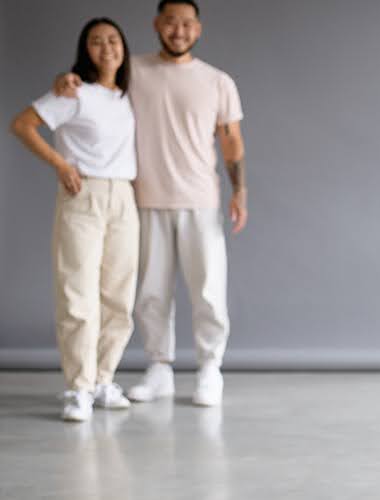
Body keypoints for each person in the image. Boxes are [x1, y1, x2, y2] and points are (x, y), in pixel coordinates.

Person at [55, 0, 247, 407]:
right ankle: (159, 368)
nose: (179, 30)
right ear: (157, 24)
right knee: (150, 293)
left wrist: (240, 190)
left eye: (188, 23)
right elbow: (95, 88)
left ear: (199, 28)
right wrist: (65, 80)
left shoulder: (217, 80)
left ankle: (210, 369)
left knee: (208, 290)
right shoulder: (134, 72)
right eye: (171, 22)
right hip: (144, 199)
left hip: (200, 199)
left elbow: (231, 140)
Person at [10, 18, 139, 422]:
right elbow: (23, 124)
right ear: (86, 51)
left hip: (124, 195)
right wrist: (60, 164)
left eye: (113, 40)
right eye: (96, 42)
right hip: (83, 195)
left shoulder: (129, 96)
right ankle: (78, 388)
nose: (107, 48)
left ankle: (103, 379)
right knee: (78, 292)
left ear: (124, 48)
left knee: (119, 296)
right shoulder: (73, 92)